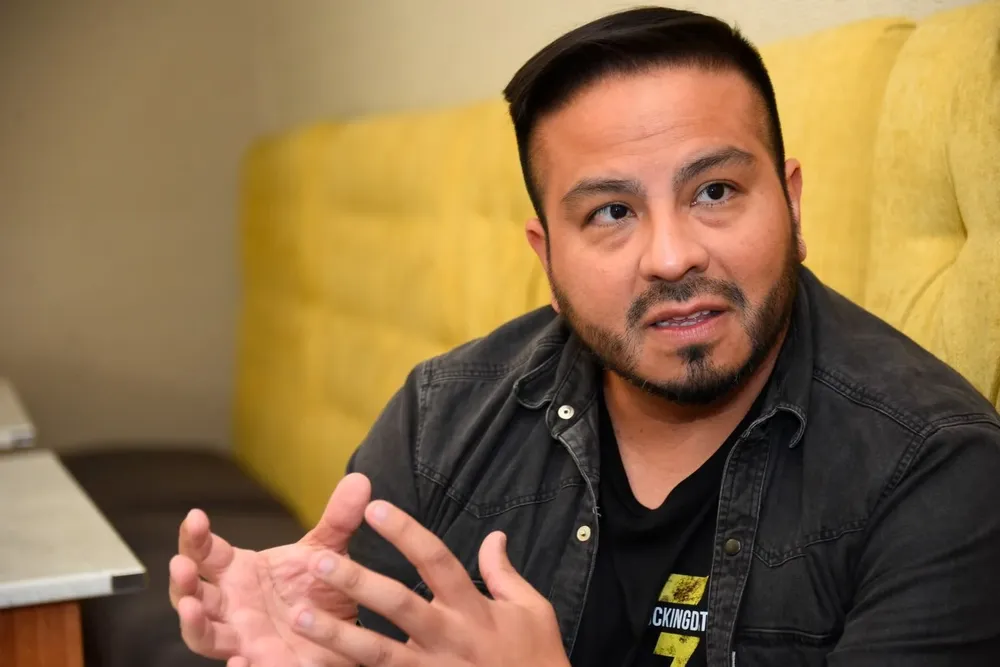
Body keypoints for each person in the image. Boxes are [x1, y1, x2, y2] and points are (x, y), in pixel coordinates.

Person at [169, 7, 1000, 667]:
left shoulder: (936, 471)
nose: (671, 256)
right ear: (548, 258)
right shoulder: (442, 417)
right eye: (610, 212)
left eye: (715, 191)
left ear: (791, 203)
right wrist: (328, 647)